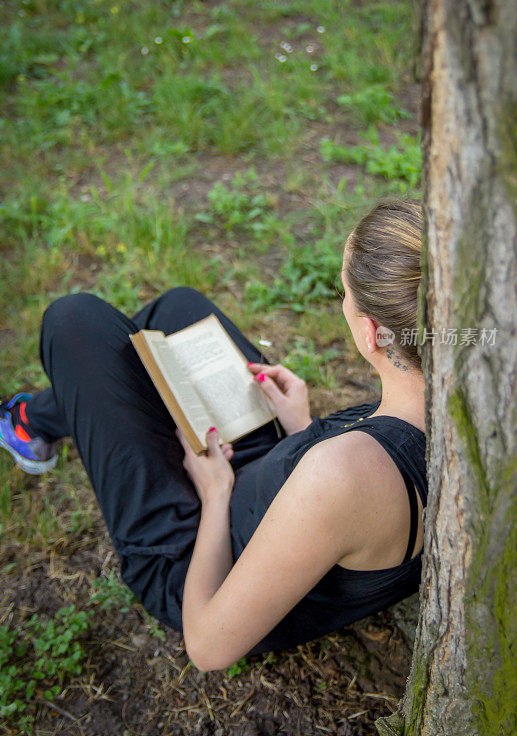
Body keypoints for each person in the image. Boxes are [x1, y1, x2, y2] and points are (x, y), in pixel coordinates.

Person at [0, 198, 427, 672]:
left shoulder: (341, 475)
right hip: (284, 491)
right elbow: (345, 508)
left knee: (75, 322)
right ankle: (50, 413)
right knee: (179, 309)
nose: (340, 300)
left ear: (371, 333)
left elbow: (207, 647)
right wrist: (302, 428)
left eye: (341, 291)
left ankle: (34, 421)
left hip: (200, 561)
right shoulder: (446, 407)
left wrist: (216, 491)